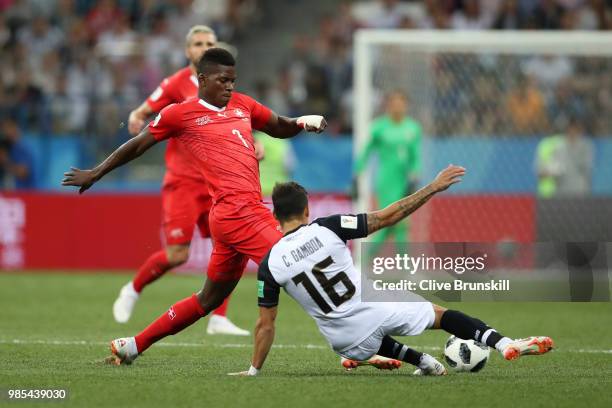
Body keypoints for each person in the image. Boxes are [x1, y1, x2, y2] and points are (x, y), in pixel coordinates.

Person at [62, 48, 328, 365]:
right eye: (223, 80)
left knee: (208, 299)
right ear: (202, 79)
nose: (230, 86)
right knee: (303, 264)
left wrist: (300, 122)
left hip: (233, 217)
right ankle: (360, 346)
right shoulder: (180, 113)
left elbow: (278, 126)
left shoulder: (243, 104)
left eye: (233, 80)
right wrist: (96, 172)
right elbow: (137, 145)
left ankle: (133, 345)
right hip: (239, 213)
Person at [230, 170, 554, 376]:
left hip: (345, 343)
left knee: (363, 336)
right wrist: (432, 188)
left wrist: (254, 370)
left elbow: (265, 325)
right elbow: (387, 217)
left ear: (276, 216)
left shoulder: (270, 263)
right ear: (306, 211)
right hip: (374, 307)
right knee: (441, 315)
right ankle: (504, 343)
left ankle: (424, 363)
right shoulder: (327, 227)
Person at [112, 25, 251, 335]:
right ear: (188, 51)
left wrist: (252, 144)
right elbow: (146, 108)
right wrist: (136, 117)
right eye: (198, 43)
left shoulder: (223, 85)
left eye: (210, 42)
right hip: (184, 181)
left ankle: (218, 319)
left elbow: (234, 122)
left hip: (215, 182)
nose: (204, 47)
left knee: (229, 248)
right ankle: (133, 289)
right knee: (178, 254)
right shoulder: (176, 83)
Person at [354, 91, 421, 257]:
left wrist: (415, 174)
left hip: (405, 181)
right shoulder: (379, 127)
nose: (398, 107)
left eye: (401, 103)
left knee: (397, 224)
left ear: (406, 106)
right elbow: (366, 152)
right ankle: (405, 270)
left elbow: (415, 156)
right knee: (395, 222)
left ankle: (362, 261)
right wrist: (358, 173)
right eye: (394, 103)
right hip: (387, 181)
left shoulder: (413, 128)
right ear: (389, 106)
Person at [535, 117, 593, 197]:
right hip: (562, 191)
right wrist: (552, 170)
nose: (573, 132)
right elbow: (554, 167)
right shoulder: (559, 146)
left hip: (580, 190)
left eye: (575, 129)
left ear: (580, 130)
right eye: (570, 129)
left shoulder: (586, 146)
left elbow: (587, 167)